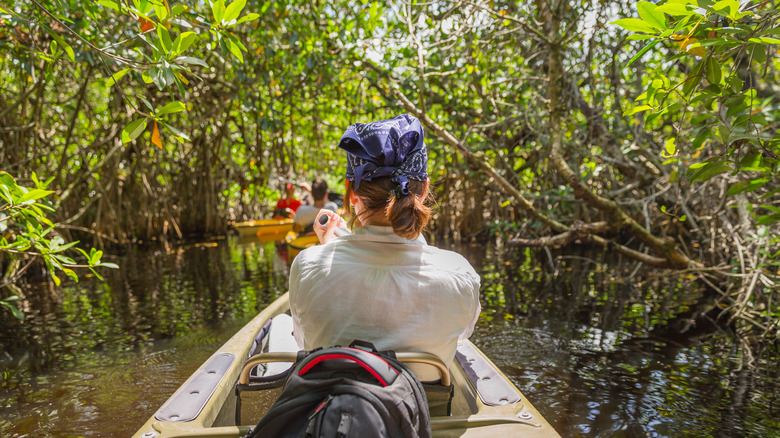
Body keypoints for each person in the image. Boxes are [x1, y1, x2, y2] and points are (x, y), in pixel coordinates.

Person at [288, 114, 481, 382]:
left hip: (335, 415)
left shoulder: (308, 264)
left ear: (351, 192)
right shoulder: (459, 273)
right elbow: (460, 335)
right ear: (424, 190)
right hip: (423, 416)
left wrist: (325, 251)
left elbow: (304, 340)